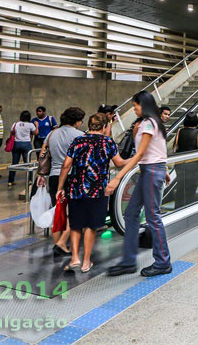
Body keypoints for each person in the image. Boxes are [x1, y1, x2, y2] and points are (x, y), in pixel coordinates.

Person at [107, 91, 173, 278]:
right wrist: (165, 169)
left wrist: (117, 177)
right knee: (131, 213)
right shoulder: (152, 123)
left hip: (151, 172)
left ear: (143, 105)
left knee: (153, 218)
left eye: (135, 105)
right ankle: (128, 261)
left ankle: (163, 262)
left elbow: (139, 155)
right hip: (151, 171)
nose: (134, 109)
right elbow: (158, 149)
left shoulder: (149, 124)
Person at [57, 112, 121, 274]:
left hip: (76, 188)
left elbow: (66, 165)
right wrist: (137, 159)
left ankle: (74, 259)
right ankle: (86, 262)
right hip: (97, 190)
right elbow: (119, 162)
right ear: (105, 126)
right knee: (91, 226)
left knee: (76, 223)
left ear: (89, 125)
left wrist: (60, 187)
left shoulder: (78, 140)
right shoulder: (108, 142)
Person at [37, 106, 85, 256]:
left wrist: (41, 174)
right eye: (80, 120)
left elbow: (42, 154)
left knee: (58, 212)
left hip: (53, 176)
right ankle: (62, 242)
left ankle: (57, 244)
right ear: (76, 121)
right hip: (72, 176)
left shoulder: (52, 134)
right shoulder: (79, 135)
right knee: (77, 212)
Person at [8, 111, 37, 187]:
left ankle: (10, 181)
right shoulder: (30, 125)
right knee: (28, 163)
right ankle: (30, 180)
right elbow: (36, 133)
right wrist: (36, 125)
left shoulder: (15, 124)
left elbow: (11, 133)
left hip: (16, 144)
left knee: (14, 163)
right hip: (26, 144)